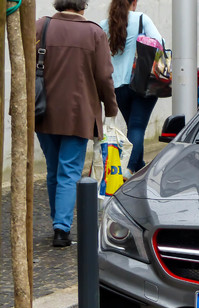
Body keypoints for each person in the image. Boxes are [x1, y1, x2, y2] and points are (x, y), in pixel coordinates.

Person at [35, 0, 118, 247]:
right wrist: (111, 108)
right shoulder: (94, 32)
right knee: (69, 171)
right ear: (83, 6)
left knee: (53, 169)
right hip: (79, 112)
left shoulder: (41, 26)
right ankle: (61, 229)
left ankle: (57, 223)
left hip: (44, 111)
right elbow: (104, 76)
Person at [100, 0, 164, 175]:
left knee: (134, 127)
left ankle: (139, 168)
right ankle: (127, 171)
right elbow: (159, 43)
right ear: (134, 2)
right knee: (137, 127)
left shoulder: (104, 25)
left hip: (117, 87)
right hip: (143, 83)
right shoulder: (142, 18)